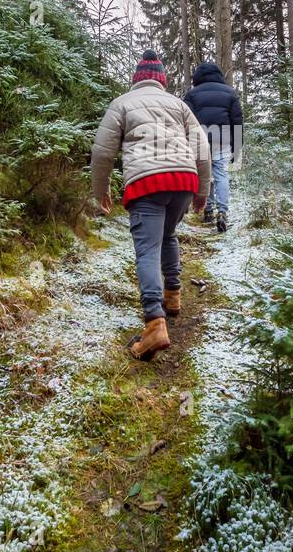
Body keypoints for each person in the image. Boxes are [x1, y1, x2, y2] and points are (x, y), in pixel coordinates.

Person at [91, 51, 212, 360]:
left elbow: (103, 151)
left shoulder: (121, 104)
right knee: (168, 235)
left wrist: (100, 191)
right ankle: (173, 297)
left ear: (136, 79)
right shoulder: (180, 105)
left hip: (147, 184)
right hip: (183, 182)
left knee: (147, 249)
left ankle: (155, 324)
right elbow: (202, 149)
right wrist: (202, 192)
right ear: (162, 80)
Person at [183, 61, 243, 232]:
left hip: (199, 138)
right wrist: (237, 146)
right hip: (223, 139)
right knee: (221, 174)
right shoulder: (230, 93)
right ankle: (222, 211)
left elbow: (185, 121)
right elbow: (237, 121)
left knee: (205, 173)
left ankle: (208, 210)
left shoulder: (192, 94)